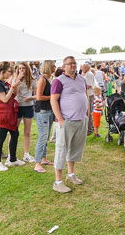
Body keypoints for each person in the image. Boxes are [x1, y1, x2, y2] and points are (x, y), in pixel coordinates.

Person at [50, 56, 89, 193]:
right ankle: (58, 181)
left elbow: (84, 95)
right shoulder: (58, 81)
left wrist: (87, 111)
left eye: (74, 63)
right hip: (66, 121)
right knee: (61, 149)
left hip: (80, 119)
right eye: (69, 64)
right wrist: (60, 118)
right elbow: (53, 100)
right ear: (64, 66)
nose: (72, 65)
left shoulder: (81, 79)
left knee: (75, 148)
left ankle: (71, 174)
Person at [0, 62, 25, 171]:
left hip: (9, 112)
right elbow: (4, 99)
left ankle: (12, 159)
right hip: (2, 112)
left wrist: (16, 83)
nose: (10, 74)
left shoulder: (3, 83)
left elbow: (14, 94)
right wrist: (13, 86)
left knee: (15, 134)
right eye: (8, 72)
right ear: (2, 72)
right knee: (1, 137)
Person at [33, 60, 56, 173]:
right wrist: (52, 97)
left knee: (46, 136)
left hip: (48, 110)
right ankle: (37, 163)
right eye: (53, 66)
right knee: (43, 136)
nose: (55, 68)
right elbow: (38, 97)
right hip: (42, 110)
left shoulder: (48, 79)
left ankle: (43, 158)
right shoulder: (42, 80)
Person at [14, 62, 36, 163]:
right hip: (18, 106)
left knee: (27, 132)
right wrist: (18, 78)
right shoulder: (15, 80)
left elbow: (37, 94)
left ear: (27, 69)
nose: (21, 70)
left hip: (28, 106)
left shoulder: (32, 80)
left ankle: (26, 154)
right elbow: (14, 92)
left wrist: (31, 97)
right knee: (14, 131)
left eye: (23, 68)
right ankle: (11, 154)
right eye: (19, 68)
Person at [81, 63, 96, 136]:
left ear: (86, 68)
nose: (81, 69)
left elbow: (89, 85)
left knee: (88, 112)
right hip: (87, 95)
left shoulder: (89, 74)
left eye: (83, 67)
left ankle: (89, 129)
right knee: (88, 112)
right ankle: (90, 128)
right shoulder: (86, 74)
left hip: (89, 95)